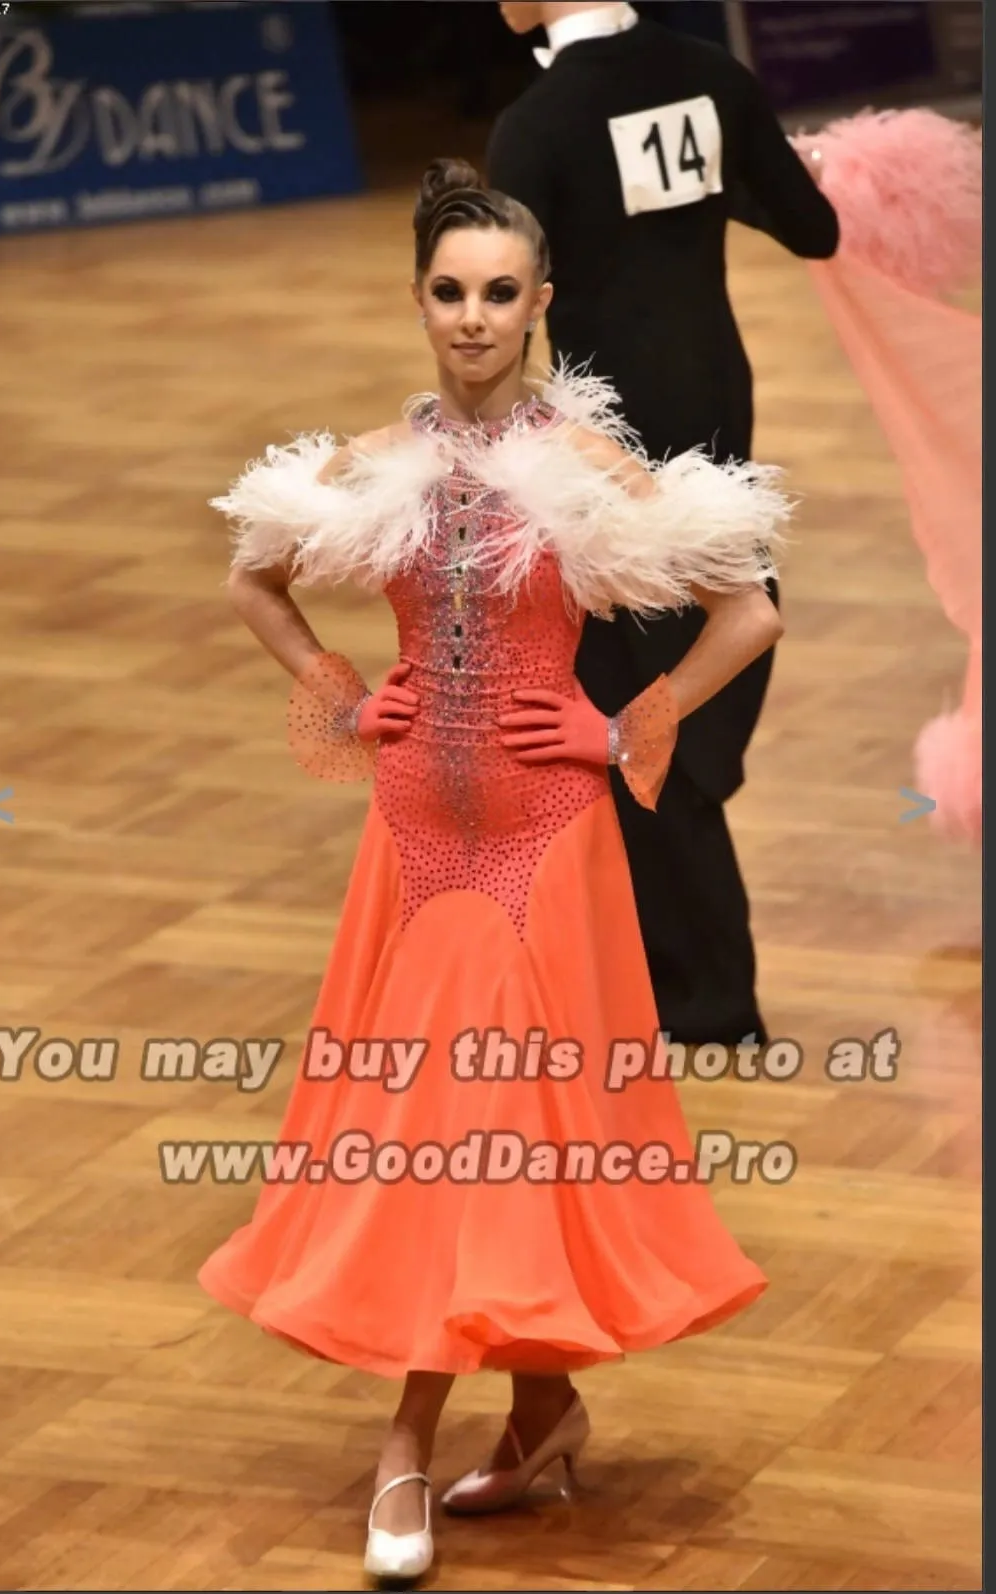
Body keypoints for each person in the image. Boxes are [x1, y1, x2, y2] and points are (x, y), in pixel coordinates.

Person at [200, 158, 788, 1586]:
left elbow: (748, 612)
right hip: (411, 832)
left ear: (540, 305)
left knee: (477, 1121)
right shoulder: (375, 460)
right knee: (466, 1126)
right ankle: (539, 1411)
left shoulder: (584, 464)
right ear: (419, 301)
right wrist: (345, 696)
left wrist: (621, 722)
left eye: (499, 293)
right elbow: (251, 576)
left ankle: (409, 1438)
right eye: (449, 292)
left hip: (541, 834)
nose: (473, 317)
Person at [488, 1, 840, 1046]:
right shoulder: (709, 76)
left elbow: (499, 310)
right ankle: (673, 983)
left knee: (637, 715)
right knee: (676, 685)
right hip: (721, 418)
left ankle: (702, 1003)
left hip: (613, 449)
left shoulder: (538, 122)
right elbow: (812, 227)